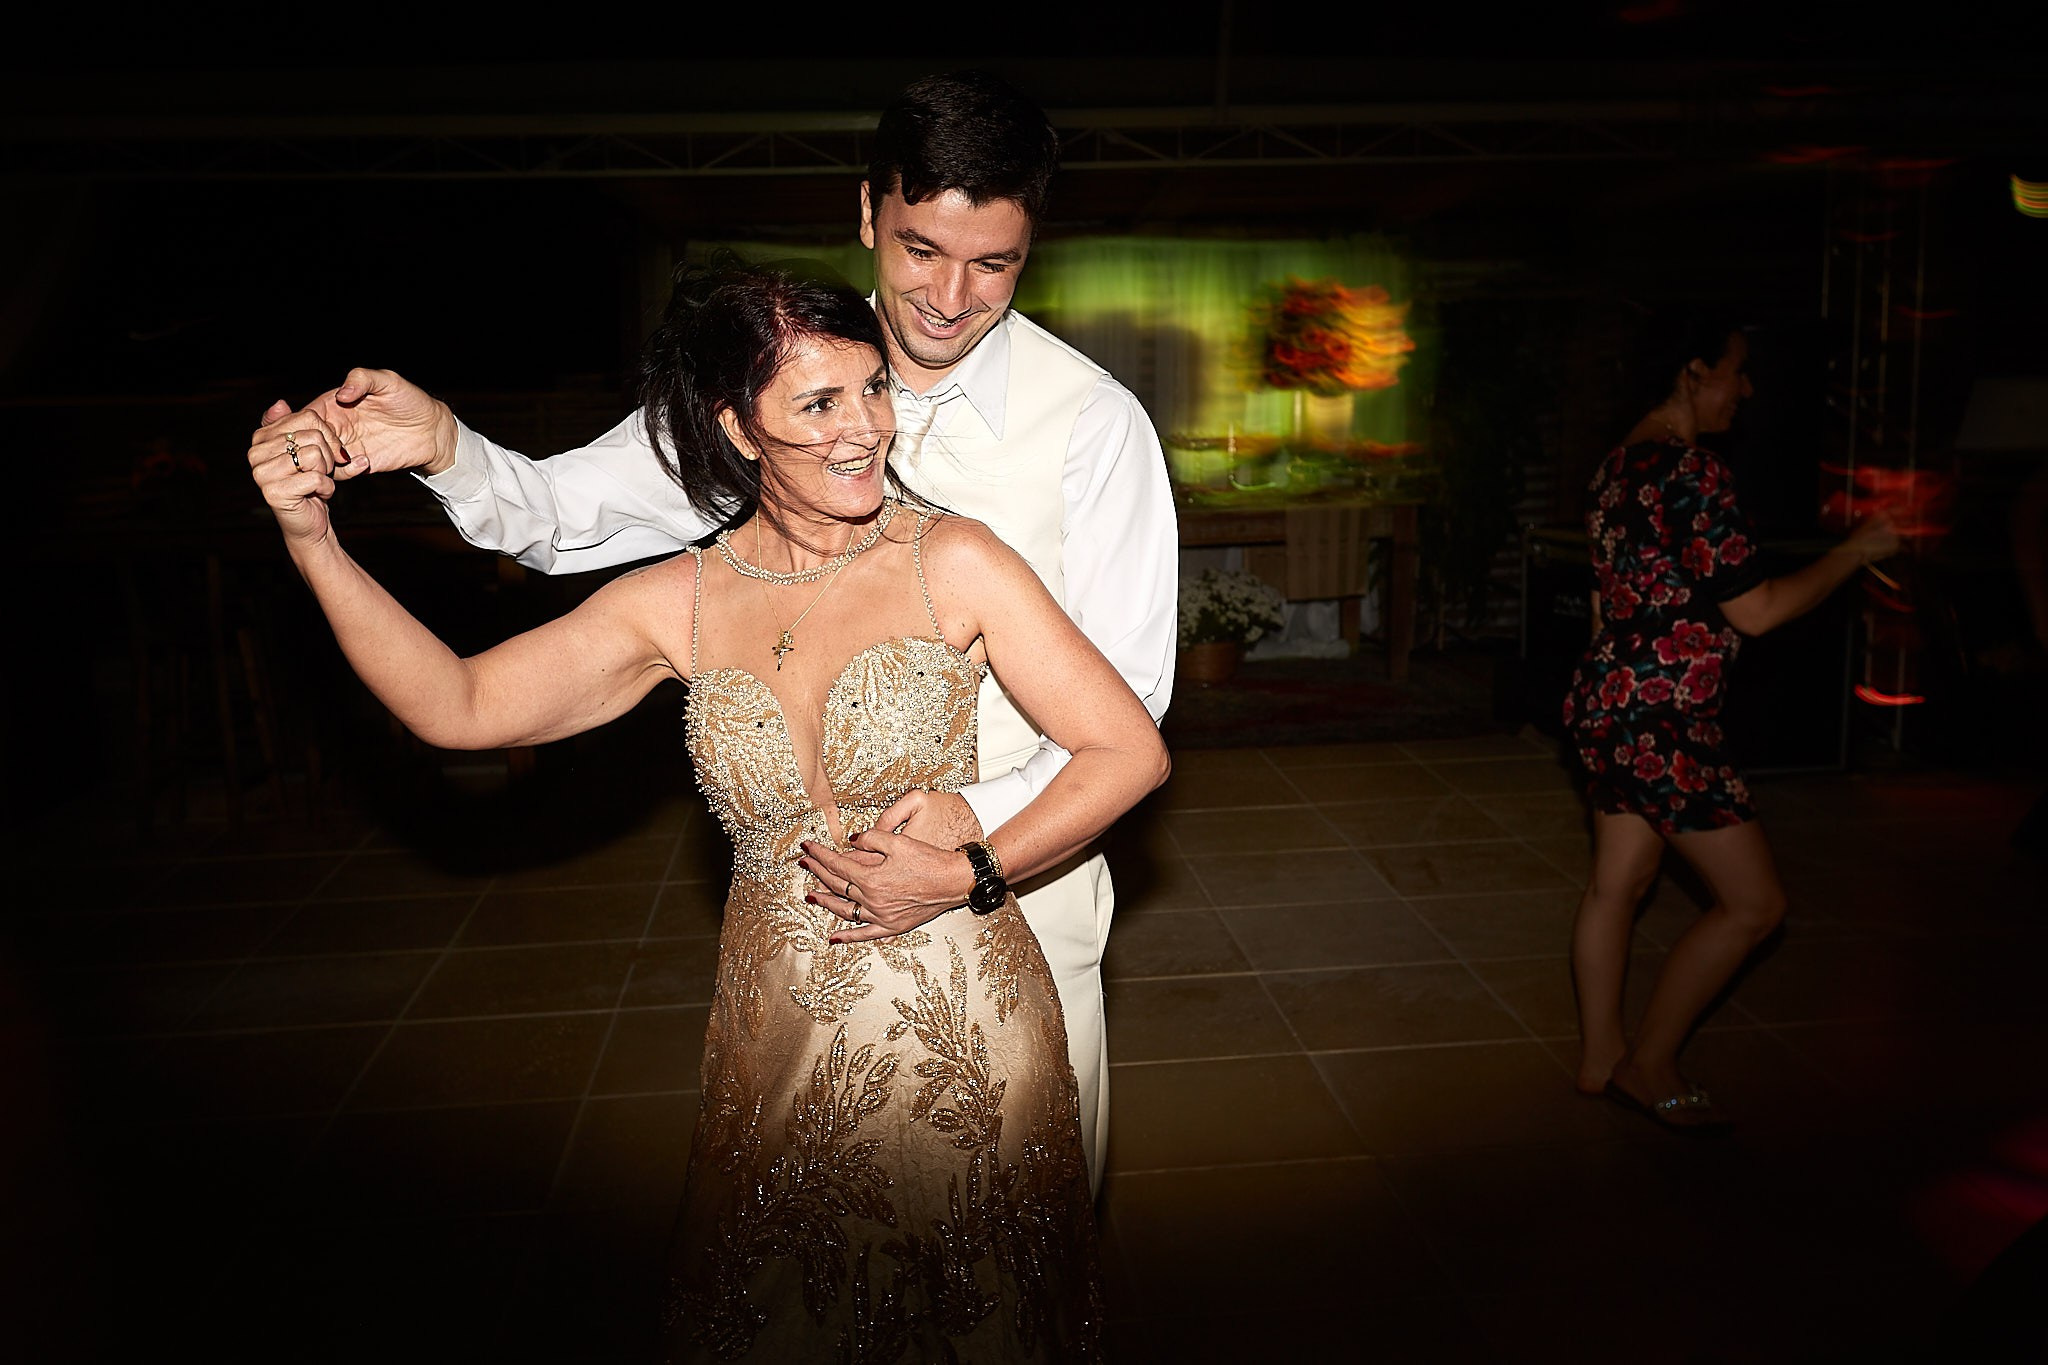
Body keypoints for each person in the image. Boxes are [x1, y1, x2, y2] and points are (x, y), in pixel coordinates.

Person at [263, 70, 1175, 1194]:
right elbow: (552, 522)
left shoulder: (1090, 426)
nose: (949, 294)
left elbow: (1132, 704)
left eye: (992, 263)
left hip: (1018, 893)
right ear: (866, 214)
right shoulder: (765, 370)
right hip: (791, 959)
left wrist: (959, 840)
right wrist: (445, 447)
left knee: (1015, 1235)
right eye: (919, 250)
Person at [1562, 317, 1899, 1133]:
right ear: (1693, 369)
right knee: (1754, 905)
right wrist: (1860, 549)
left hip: (1607, 697)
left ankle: (1601, 1057)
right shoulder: (1692, 473)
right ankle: (1650, 1063)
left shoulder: (1615, 466)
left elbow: (1609, 604)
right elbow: (1759, 610)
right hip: (1664, 716)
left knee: (1619, 884)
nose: (1745, 390)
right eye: (1737, 372)